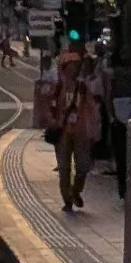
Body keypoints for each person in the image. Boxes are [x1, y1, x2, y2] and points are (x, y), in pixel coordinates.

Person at [49, 50, 102, 212]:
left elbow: (92, 109)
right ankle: (67, 200)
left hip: (80, 131)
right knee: (64, 168)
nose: (72, 70)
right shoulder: (57, 87)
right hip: (62, 131)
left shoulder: (83, 87)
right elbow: (49, 107)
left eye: (74, 67)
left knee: (82, 167)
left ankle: (75, 191)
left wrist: (94, 129)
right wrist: (52, 122)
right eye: (69, 67)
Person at [108, 52, 131, 199]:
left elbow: (109, 96)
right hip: (128, 116)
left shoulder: (115, 75)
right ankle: (128, 185)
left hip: (125, 116)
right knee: (130, 152)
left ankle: (126, 185)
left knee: (124, 153)